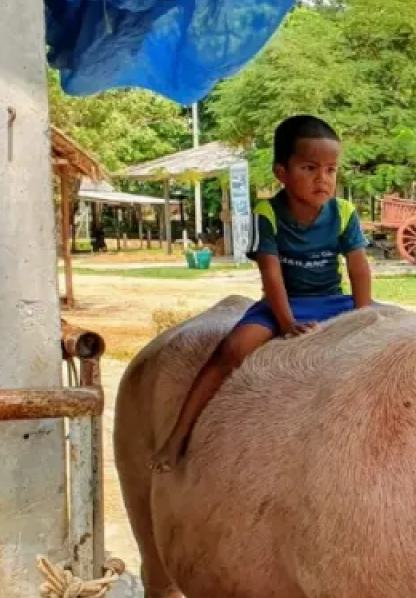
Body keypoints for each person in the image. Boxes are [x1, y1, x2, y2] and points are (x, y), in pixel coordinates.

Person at [151, 115, 372, 471]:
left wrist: (365, 317)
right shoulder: (266, 213)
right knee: (232, 350)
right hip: (282, 301)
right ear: (281, 173)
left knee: (400, 332)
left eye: (331, 170)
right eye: (310, 168)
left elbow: (358, 268)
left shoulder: (344, 212)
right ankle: (178, 435)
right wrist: (286, 323)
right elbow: (271, 273)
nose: (323, 179)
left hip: (333, 298)